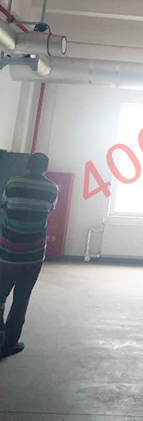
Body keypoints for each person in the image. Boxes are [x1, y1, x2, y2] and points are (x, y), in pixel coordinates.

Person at [0, 152, 58, 357]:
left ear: (27, 164)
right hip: (33, 253)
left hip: (8, 251)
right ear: (45, 168)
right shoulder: (52, 188)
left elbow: (5, 205)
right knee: (22, 298)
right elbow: (49, 210)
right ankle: (10, 344)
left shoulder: (13, 183)